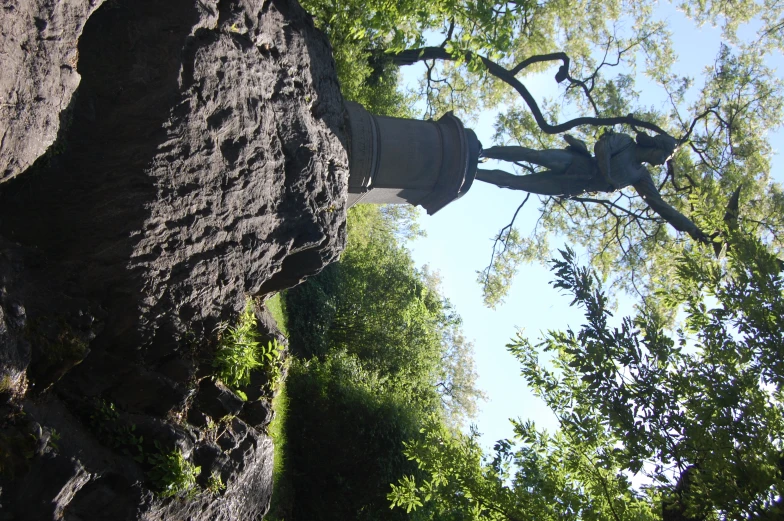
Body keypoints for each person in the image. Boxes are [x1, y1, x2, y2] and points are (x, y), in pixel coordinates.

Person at [476, 131, 706, 241]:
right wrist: (607, 175)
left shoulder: (640, 176)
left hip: (573, 185)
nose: (661, 163)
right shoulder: (625, 143)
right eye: (664, 158)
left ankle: (473, 173)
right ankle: (484, 152)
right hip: (577, 162)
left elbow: (660, 205)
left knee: (515, 183)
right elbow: (602, 147)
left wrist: (690, 228)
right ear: (657, 148)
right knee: (533, 155)